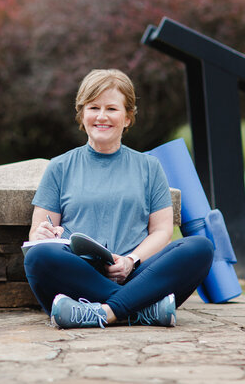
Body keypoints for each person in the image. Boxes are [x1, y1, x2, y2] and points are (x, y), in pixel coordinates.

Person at [24, 69, 214, 329]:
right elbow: (37, 232)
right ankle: (140, 310)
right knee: (38, 257)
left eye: (112, 109)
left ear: (127, 117)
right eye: (93, 107)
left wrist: (130, 261)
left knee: (199, 248)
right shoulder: (59, 167)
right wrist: (44, 233)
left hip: (138, 274)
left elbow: (161, 232)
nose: (102, 116)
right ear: (82, 115)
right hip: (82, 275)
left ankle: (98, 313)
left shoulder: (149, 167)